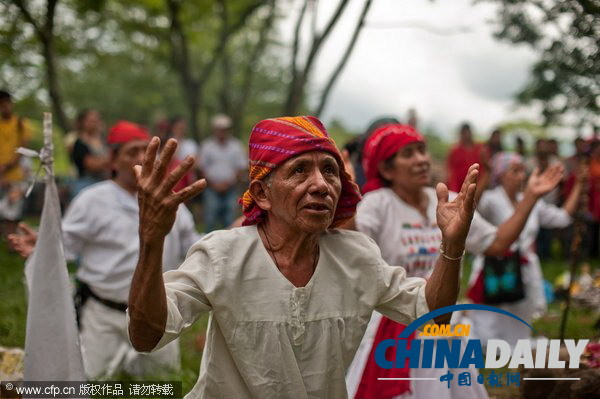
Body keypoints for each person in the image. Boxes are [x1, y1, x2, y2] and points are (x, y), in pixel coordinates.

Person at [128, 115, 479, 398]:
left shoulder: (356, 255)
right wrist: (152, 239)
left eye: (329, 170)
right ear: (261, 193)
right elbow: (146, 337)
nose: (321, 184)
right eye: (299, 171)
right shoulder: (223, 253)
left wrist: (452, 245)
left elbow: (434, 315)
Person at [345, 124, 564, 399]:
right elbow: (353, 250)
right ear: (387, 169)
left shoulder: (446, 200)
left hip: (444, 323)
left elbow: (496, 244)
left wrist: (530, 197)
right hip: (394, 329)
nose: (421, 159)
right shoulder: (377, 204)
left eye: (422, 150)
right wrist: (346, 199)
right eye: (408, 154)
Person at [9, 121, 201, 378]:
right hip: (103, 315)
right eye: (132, 152)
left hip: (157, 316)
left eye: (147, 151)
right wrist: (43, 245)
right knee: (90, 381)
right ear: (113, 159)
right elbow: (66, 243)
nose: (141, 158)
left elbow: (194, 247)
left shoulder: (171, 201)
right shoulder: (93, 200)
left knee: (165, 382)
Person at [467, 152, 582, 347]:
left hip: (525, 267)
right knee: (491, 315)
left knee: (520, 312)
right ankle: (489, 342)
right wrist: (484, 176)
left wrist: (579, 185)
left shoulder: (530, 200)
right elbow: (471, 209)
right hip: (495, 266)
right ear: (501, 175)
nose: (521, 176)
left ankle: (514, 342)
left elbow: (561, 218)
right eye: (515, 171)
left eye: (522, 171)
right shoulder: (490, 199)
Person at [197, 114, 247, 231]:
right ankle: (207, 243)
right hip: (211, 187)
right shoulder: (207, 146)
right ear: (214, 129)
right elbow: (201, 168)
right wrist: (213, 184)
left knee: (229, 216)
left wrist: (228, 183)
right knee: (210, 216)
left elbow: (240, 167)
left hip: (230, 187)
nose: (222, 132)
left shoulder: (236, 146)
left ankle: (228, 244)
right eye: (219, 129)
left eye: (224, 129)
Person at [0, 89, 32, 237]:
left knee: (13, 211)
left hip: (15, 175)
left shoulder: (21, 124)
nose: (3, 107)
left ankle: (12, 241)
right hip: (2, 174)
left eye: (5, 103)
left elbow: (22, 149)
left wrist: (6, 167)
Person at [69, 109, 110, 197]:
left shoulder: (104, 140)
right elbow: (91, 165)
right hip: (86, 183)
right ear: (82, 122)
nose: (94, 123)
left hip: (104, 181)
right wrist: (111, 159)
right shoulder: (79, 143)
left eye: (97, 120)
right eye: (91, 121)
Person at [446, 122, 487, 198]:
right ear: (461, 134)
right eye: (464, 133)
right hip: (458, 190)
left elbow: (485, 170)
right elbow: (450, 172)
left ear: (471, 133)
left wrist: (479, 190)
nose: (466, 135)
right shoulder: (454, 150)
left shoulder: (480, 149)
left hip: (476, 190)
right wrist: (454, 192)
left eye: (467, 133)